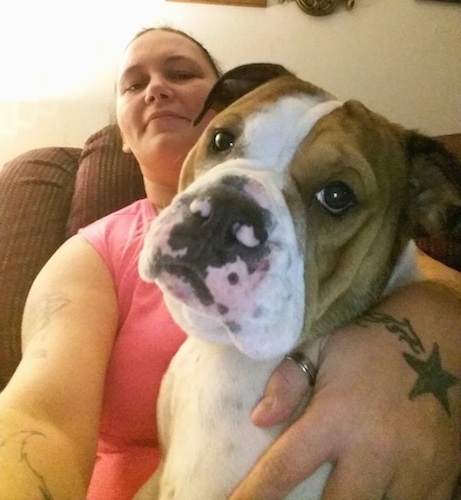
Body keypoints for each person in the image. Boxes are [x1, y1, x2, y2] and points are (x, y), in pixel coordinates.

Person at [0, 26, 460, 500]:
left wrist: (428, 342)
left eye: (334, 196)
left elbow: (448, 295)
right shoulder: (94, 251)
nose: (156, 88)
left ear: (212, 101)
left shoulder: (390, 255)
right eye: (224, 144)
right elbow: (37, 415)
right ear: (120, 136)